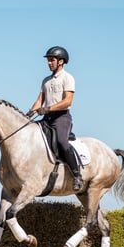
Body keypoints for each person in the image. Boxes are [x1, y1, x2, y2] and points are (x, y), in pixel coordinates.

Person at [27, 46, 83, 191]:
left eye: (52, 60)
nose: (49, 63)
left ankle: (77, 175)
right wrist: (29, 113)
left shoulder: (67, 78)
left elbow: (68, 101)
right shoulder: (46, 80)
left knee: (61, 142)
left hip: (62, 118)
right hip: (47, 117)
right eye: (48, 60)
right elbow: (39, 101)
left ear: (61, 61)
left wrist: (48, 108)